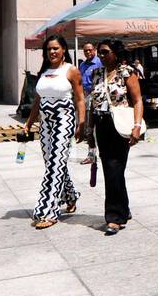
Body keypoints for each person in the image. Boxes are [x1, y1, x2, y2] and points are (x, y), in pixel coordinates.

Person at [24, 34, 85, 230]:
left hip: (64, 119)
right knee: (53, 163)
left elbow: (80, 98)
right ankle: (71, 196)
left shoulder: (71, 70)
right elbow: (37, 101)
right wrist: (29, 123)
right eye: (49, 49)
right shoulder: (44, 71)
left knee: (55, 163)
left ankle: (48, 211)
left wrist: (81, 123)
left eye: (55, 48)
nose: (52, 52)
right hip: (45, 122)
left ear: (64, 50)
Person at [89, 39, 144, 235]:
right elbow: (92, 104)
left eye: (105, 52)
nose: (101, 56)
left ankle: (114, 217)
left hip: (120, 126)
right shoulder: (95, 74)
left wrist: (137, 127)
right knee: (111, 169)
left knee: (114, 168)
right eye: (99, 53)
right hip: (101, 124)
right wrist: (89, 131)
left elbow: (137, 101)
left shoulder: (127, 72)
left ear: (115, 53)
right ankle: (124, 209)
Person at [77, 42, 101, 165]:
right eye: (85, 50)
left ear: (94, 50)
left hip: (96, 96)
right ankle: (91, 154)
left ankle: (95, 154)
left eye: (90, 50)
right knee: (87, 127)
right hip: (85, 96)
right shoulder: (82, 65)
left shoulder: (99, 63)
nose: (88, 52)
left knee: (93, 127)